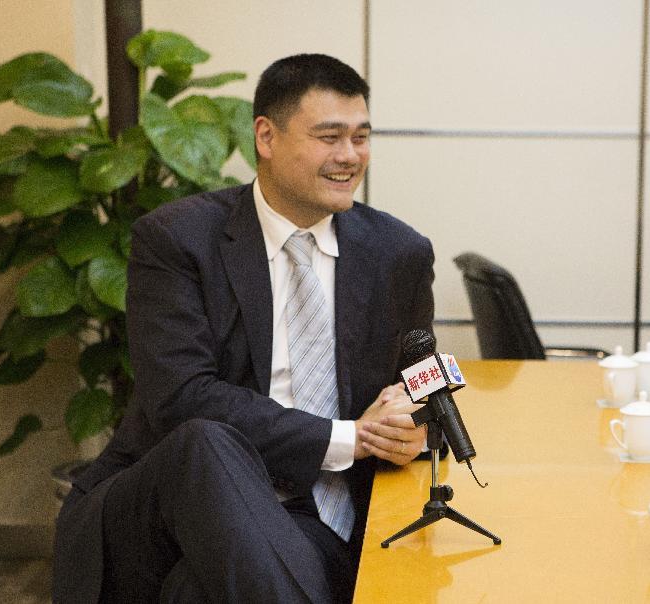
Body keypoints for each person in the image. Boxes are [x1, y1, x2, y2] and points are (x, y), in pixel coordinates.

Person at [53, 53, 435, 603]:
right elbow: (181, 398)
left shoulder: (397, 253)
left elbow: (423, 382)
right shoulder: (178, 239)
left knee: (194, 591)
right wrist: (351, 437)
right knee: (206, 441)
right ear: (266, 136)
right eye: (329, 137)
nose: (349, 157)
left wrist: (414, 423)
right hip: (161, 508)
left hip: (315, 512)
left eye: (361, 137)